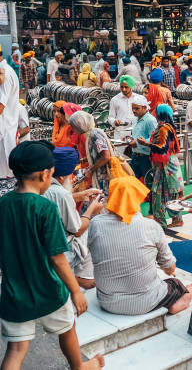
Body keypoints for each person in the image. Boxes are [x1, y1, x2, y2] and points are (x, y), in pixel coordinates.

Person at [0, 141, 105, 370]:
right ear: (43, 174)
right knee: (67, 328)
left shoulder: (3, 204)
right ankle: (79, 366)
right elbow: (58, 258)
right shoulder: (44, 208)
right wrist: (76, 291)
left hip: (14, 291)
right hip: (49, 288)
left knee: (16, 349)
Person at [88, 175, 192, 315]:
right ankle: (179, 299)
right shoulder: (150, 226)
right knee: (175, 283)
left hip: (107, 302)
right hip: (147, 301)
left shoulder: (95, 224)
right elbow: (170, 267)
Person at [44, 147, 104, 289]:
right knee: (94, 229)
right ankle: (83, 277)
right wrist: (92, 209)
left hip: (41, 248)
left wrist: (80, 195)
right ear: (62, 177)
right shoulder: (61, 194)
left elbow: (56, 199)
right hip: (59, 254)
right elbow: (77, 230)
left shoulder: (41, 185)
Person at [137, 104, 184, 229]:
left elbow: (162, 147)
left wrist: (146, 143)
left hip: (165, 166)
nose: (153, 112)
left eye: (156, 111)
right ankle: (175, 219)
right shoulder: (166, 127)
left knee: (159, 195)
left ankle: (162, 222)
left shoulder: (163, 128)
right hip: (167, 165)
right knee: (168, 193)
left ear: (161, 114)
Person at [69, 111, 112, 193]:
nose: (73, 130)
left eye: (73, 127)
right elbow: (97, 155)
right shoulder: (89, 134)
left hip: (104, 175)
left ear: (79, 125)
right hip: (100, 173)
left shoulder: (94, 134)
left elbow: (105, 156)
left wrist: (91, 170)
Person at [0, 48, 22, 178]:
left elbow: (1, 107)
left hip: (5, 130)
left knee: (4, 175)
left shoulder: (5, 75)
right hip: (6, 129)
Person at [128, 94, 157, 181]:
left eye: (137, 109)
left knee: (148, 183)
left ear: (144, 107)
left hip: (146, 158)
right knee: (133, 183)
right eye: (133, 108)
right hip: (135, 156)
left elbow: (154, 138)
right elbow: (136, 135)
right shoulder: (135, 119)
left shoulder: (150, 120)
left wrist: (136, 142)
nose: (134, 111)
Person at [108, 75, 137, 145]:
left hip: (135, 133)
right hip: (120, 134)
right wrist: (114, 121)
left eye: (126, 87)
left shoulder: (138, 99)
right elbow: (110, 117)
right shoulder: (115, 100)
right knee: (120, 154)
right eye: (122, 87)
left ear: (131, 86)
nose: (123, 89)